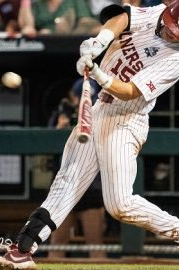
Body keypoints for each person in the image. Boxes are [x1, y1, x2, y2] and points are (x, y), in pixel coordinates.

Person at [0, 1, 179, 270]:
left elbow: (131, 91)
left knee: (119, 204)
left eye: (178, 34)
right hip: (99, 110)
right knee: (66, 182)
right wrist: (99, 42)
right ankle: (23, 251)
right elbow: (121, 18)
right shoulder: (157, 12)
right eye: (169, 27)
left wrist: (100, 75)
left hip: (125, 120)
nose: (169, 33)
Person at [47, 78, 106, 258]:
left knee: (95, 245)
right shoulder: (61, 114)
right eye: (80, 98)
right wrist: (59, 128)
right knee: (57, 245)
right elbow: (44, 145)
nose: (84, 102)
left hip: (91, 185)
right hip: (64, 183)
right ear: (72, 97)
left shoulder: (101, 116)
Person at [18, 0, 100, 35]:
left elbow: (87, 23)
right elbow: (26, 25)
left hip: (67, 42)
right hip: (42, 42)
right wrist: (26, 2)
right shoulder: (39, 3)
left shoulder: (74, 1)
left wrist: (70, 30)